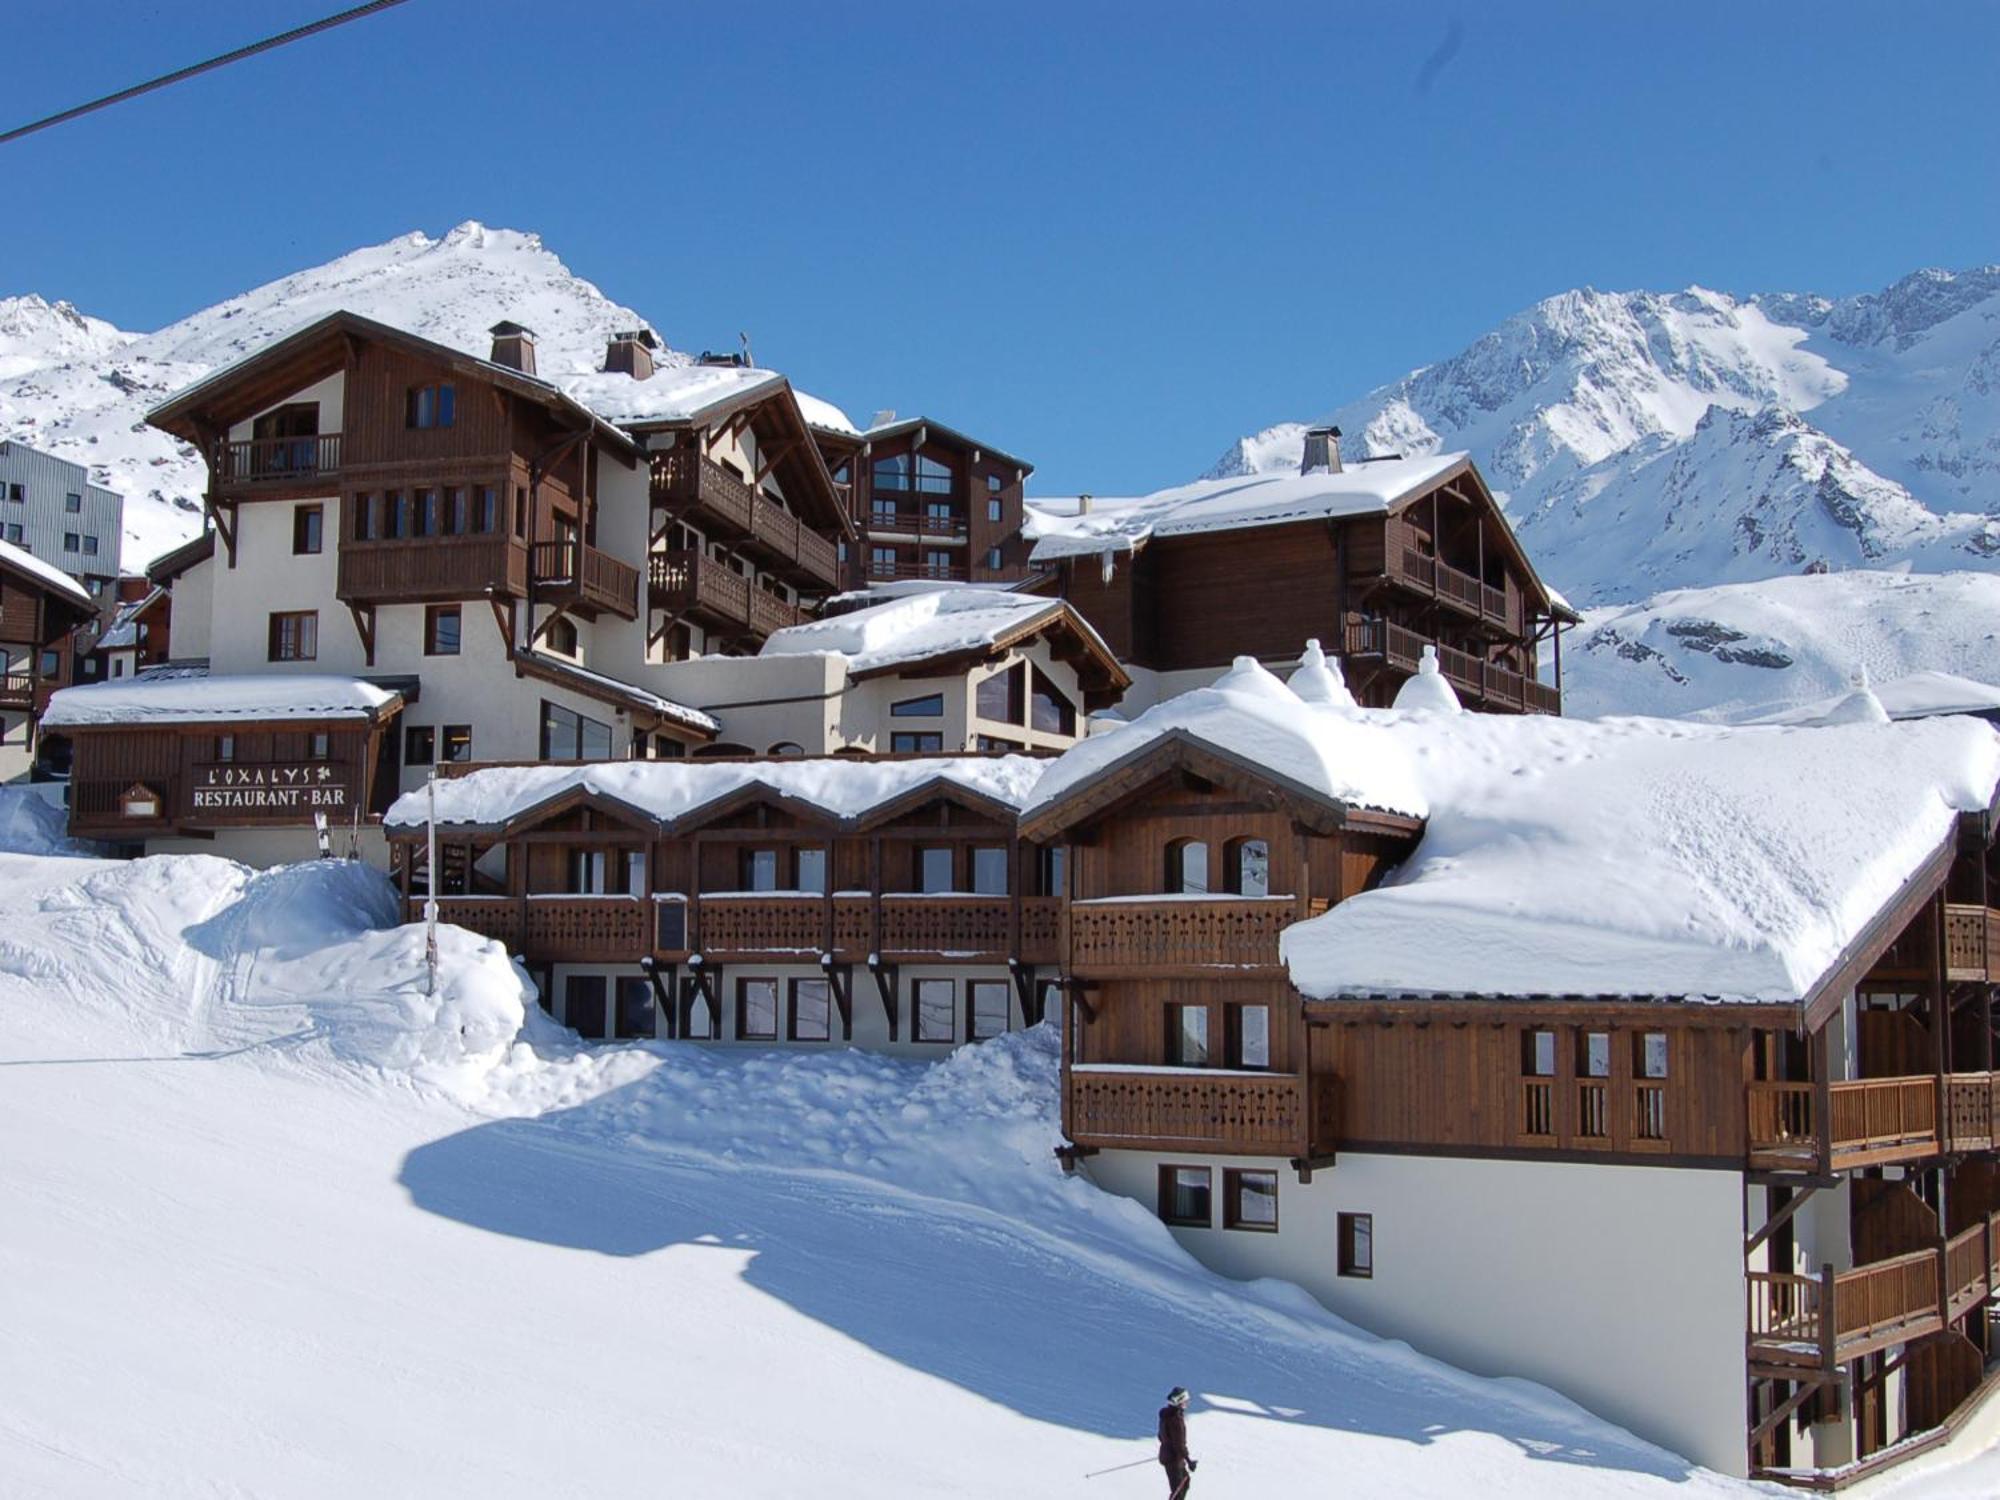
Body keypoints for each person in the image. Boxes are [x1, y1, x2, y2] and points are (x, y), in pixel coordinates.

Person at [1157, 1387, 1197, 1497]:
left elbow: (1161, 1436)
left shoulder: (1166, 1415)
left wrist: (1167, 1447)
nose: (1187, 1403)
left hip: (1170, 1456)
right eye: (1185, 1401)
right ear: (1179, 1402)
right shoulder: (1176, 1419)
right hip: (1174, 1459)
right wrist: (1189, 1461)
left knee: (1184, 1482)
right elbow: (1179, 1444)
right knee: (1178, 1492)